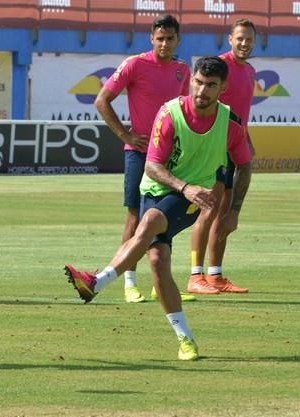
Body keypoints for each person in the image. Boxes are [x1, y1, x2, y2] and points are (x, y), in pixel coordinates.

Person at [64, 56, 253, 360]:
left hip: (195, 197)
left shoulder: (230, 124)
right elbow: (152, 166)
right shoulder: (170, 113)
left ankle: (96, 283)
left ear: (223, 88)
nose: (202, 90)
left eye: (211, 85)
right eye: (199, 82)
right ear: (191, 80)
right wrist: (182, 186)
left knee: (150, 220)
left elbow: (244, 166)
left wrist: (234, 210)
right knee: (157, 260)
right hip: (157, 188)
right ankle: (186, 340)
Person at [95, 14, 194, 303]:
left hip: (168, 157)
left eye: (170, 38)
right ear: (151, 39)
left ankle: (159, 283)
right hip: (139, 154)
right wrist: (125, 136)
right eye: (160, 38)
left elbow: (182, 112)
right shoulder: (134, 64)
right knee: (135, 215)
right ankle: (129, 281)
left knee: (164, 218)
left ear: (178, 40)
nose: (164, 43)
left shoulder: (182, 70)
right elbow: (101, 100)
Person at [187, 19, 257, 295]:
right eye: (239, 38)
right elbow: (200, 102)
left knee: (225, 213)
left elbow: (241, 114)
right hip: (214, 147)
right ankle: (196, 274)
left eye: (249, 39)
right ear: (230, 39)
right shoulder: (218, 67)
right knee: (209, 210)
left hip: (233, 146)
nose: (244, 43)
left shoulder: (250, 71)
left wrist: (246, 140)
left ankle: (215, 275)